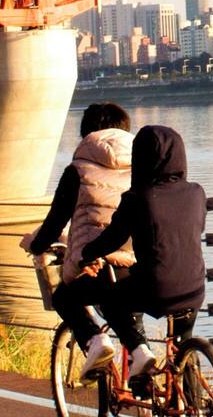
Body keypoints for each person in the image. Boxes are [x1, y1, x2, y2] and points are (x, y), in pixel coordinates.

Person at [57, 125, 208, 384]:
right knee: (182, 351)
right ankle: (190, 403)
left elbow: (112, 238)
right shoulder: (197, 193)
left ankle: (137, 351)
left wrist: (86, 254)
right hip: (194, 289)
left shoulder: (138, 198)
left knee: (86, 299)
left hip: (154, 290)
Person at [24, 103, 138, 368]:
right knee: (133, 321)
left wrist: (36, 244)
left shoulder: (77, 171)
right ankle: (142, 381)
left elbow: (55, 223)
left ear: (86, 134)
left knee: (63, 297)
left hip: (97, 266)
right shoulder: (143, 167)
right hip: (137, 266)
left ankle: (93, 341)